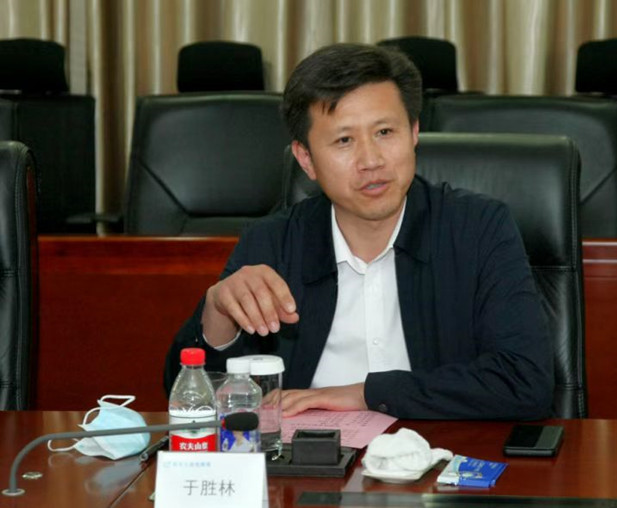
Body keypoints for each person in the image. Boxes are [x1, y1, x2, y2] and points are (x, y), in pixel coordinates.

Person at [164, 43, 553, 420]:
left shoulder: (477, 229)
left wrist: (365, 394)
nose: (371, 160)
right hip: (309, 460)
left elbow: (525, 382)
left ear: (414, 132)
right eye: (344, 140)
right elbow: (190, 401)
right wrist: (217, 314)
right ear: (306, 159)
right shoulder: (273, 243)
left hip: (442, 455)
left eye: (385, 132)